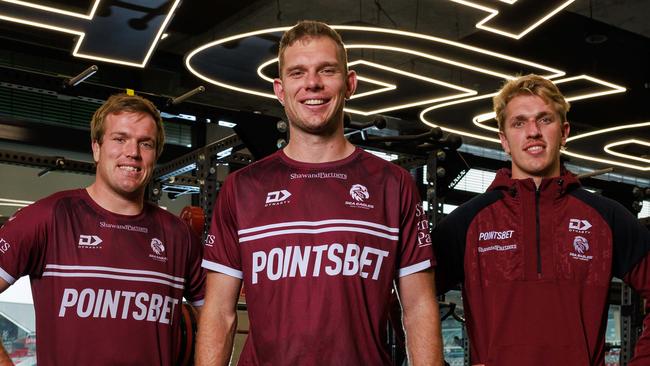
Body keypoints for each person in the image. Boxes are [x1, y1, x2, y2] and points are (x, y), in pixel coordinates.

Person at [197, 20, 443, 365]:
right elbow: (219, 313)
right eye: (298, 73)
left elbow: (418, 307)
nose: (312, 83)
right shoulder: (243, 188)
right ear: (280, 90)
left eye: (326, 70)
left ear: (350, 83)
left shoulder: (393, 184)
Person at [433, 74, 650, 365]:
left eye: (545, 120)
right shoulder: (469, 221)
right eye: (519, 123)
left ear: (564, 132)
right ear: (504, 140)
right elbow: (405, 299)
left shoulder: (606, 218)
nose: (533, 131)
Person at [0, 94, 205, 365]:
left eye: (145, 143)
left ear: (155, 154)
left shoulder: (179, 236)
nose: (132, 152)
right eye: (119, 139)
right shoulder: (48, 217)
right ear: (96, 148)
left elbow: (218, 319)